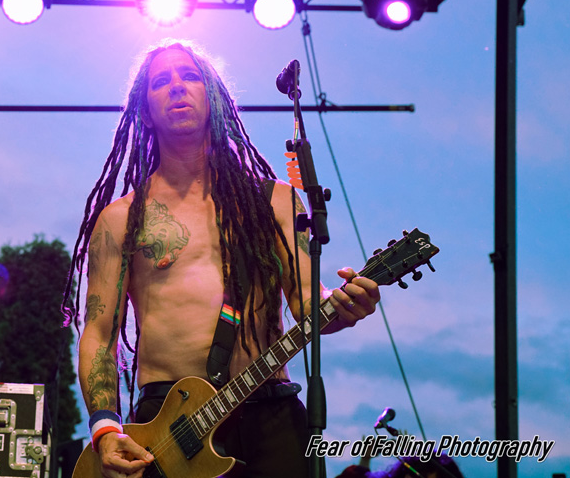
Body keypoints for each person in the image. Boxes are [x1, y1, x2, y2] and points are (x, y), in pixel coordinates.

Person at [61, 39, 381, 478]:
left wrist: (343, 305)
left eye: (190, 76)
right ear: (144, 111)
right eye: (161, 81)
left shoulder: (274, 203)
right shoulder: (120, 220)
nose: (177, 86)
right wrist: (105, 428)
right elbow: (99, 334)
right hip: (166, 429)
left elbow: (309, 303)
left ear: (212, 97)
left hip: (271, 414)